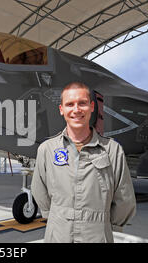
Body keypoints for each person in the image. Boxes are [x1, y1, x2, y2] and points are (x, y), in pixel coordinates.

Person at [31, 81, 136, 243]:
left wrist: (108, 224)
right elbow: (39, 189)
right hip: (58, 234)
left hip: (97, 235)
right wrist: (55, 216)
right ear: (61, 110)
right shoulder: (47, 149)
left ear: (92, 107)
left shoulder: (112, 150)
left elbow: (124, 196)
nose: (76, 109)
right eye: (70, 104)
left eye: (82, 103)